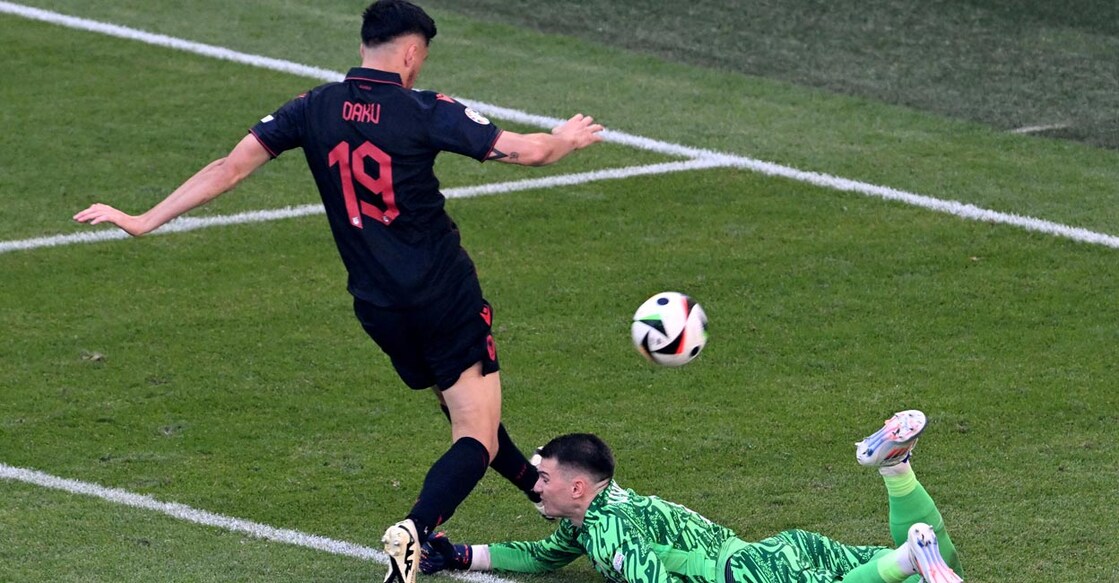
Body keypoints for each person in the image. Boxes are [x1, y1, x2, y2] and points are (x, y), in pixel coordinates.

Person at [72, 2, 605, 583]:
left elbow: (228, 167)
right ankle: (418, 530)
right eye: (421, 58)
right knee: (473, 430)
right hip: (442, 294)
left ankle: (535, 490)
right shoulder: (424, 110)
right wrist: (566, 138)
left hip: (378, 307)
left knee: (464, 408)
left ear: (361, 48)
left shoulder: (312, 107)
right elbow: (523, 151)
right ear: (410, 53)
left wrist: (146, 218)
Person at [420, 410, 965, 583]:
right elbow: (539, 556)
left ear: (577, 487)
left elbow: (652, 581)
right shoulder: (598, 517)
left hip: (747, 575)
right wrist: (463, 554)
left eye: (542, 475)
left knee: (907, 569)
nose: (532, 483)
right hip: (774, 555)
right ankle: (897, 472)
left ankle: (904, 554)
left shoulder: (606, 528)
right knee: (944, 568)